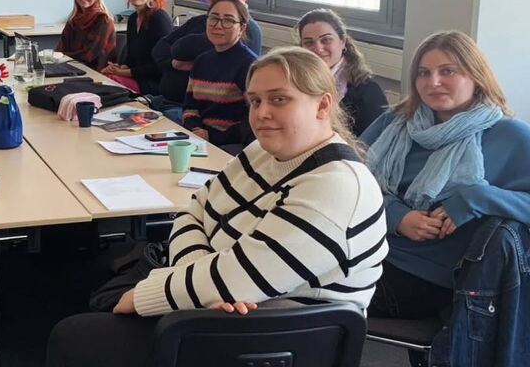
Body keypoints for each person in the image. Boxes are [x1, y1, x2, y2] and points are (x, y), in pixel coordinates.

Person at [47, 47, 388, 367]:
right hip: (223, 307)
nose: (262, 113)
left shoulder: (336, 187)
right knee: (80, 286)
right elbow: (193, 209)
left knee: (74, 336)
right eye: (254, 101)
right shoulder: (262, 152)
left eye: (279, 99)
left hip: (274, 337)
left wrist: (143, 297)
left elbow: (238, 279)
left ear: (323, 105)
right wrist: (206, 282)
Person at [362, 30, 530, 321]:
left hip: (428, 277)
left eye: (447, 71)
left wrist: (477, 197)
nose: (433, 82)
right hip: (365, 248)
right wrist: (396, 216)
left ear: (476, 76)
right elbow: (349, 184)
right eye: (424, 73)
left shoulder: (510, 136)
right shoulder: (395, 122)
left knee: (311, 294)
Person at [151, 0, 263, 107]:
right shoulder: (198, 21)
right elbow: (159, 48)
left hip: (193, 110)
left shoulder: (246, 29)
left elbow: (180, 49)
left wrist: (183, 53)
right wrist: (174, 64)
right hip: (164, 100)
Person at [181, 0, 258, 148]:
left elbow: (255, 118)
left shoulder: (250, 66)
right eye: (214, 18)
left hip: (231, 143)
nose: (218, 25)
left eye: (228, 20)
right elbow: (189, 107)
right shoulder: (201, 61)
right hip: (199, 138)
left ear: (242, 27)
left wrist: (213, 136)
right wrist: (195, 129)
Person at [296, 9, 387, 136]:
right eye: (309, 42)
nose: (318, 49)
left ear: (342, 41)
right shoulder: (292, 81)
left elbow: (372, 143)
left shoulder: (368, 91)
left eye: (326, 40)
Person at [101, 0, 172, 94]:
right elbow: (131, 59)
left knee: (107, 82)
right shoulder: (133, 19)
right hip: (137, 77)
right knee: (103, 76)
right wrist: (118, 67)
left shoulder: (159, 19)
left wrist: (122, 73)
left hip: (155, 83)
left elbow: (159, 66)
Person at [54, 0, 116, 70]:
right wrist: (55, 56)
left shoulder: (103, 19)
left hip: (96, 71)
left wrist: (61, 56)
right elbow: (60, 48)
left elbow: (88, 55)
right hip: (73, 67)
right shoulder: (73, 20)